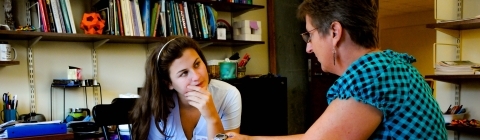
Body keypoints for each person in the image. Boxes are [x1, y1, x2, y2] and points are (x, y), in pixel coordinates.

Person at [226, 0, 447, 139]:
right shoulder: (388, 65)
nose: (309, 47)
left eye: (309, 35)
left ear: (334, 32)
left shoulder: (371, 74)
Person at [130, 36, 242, 140]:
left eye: (197, 64)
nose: (197, 77)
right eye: (184, 73)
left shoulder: (229, 95)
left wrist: (212, 118)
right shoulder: (158, 105)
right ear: (168, 83)